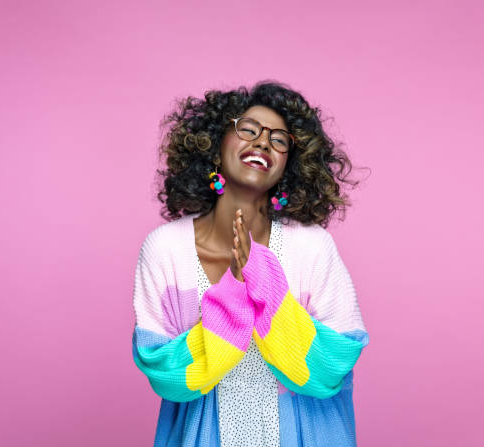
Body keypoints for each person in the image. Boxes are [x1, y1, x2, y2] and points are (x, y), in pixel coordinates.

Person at [131, 80, 370, 447]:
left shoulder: (312, 248)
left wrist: (263, 283)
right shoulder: (165, 250)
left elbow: (331, 367)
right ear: (214, 147)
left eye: (278, 140)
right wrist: (233, 297)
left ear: (287, 167)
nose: (262, 142)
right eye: (248, 129)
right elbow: (165, 372)